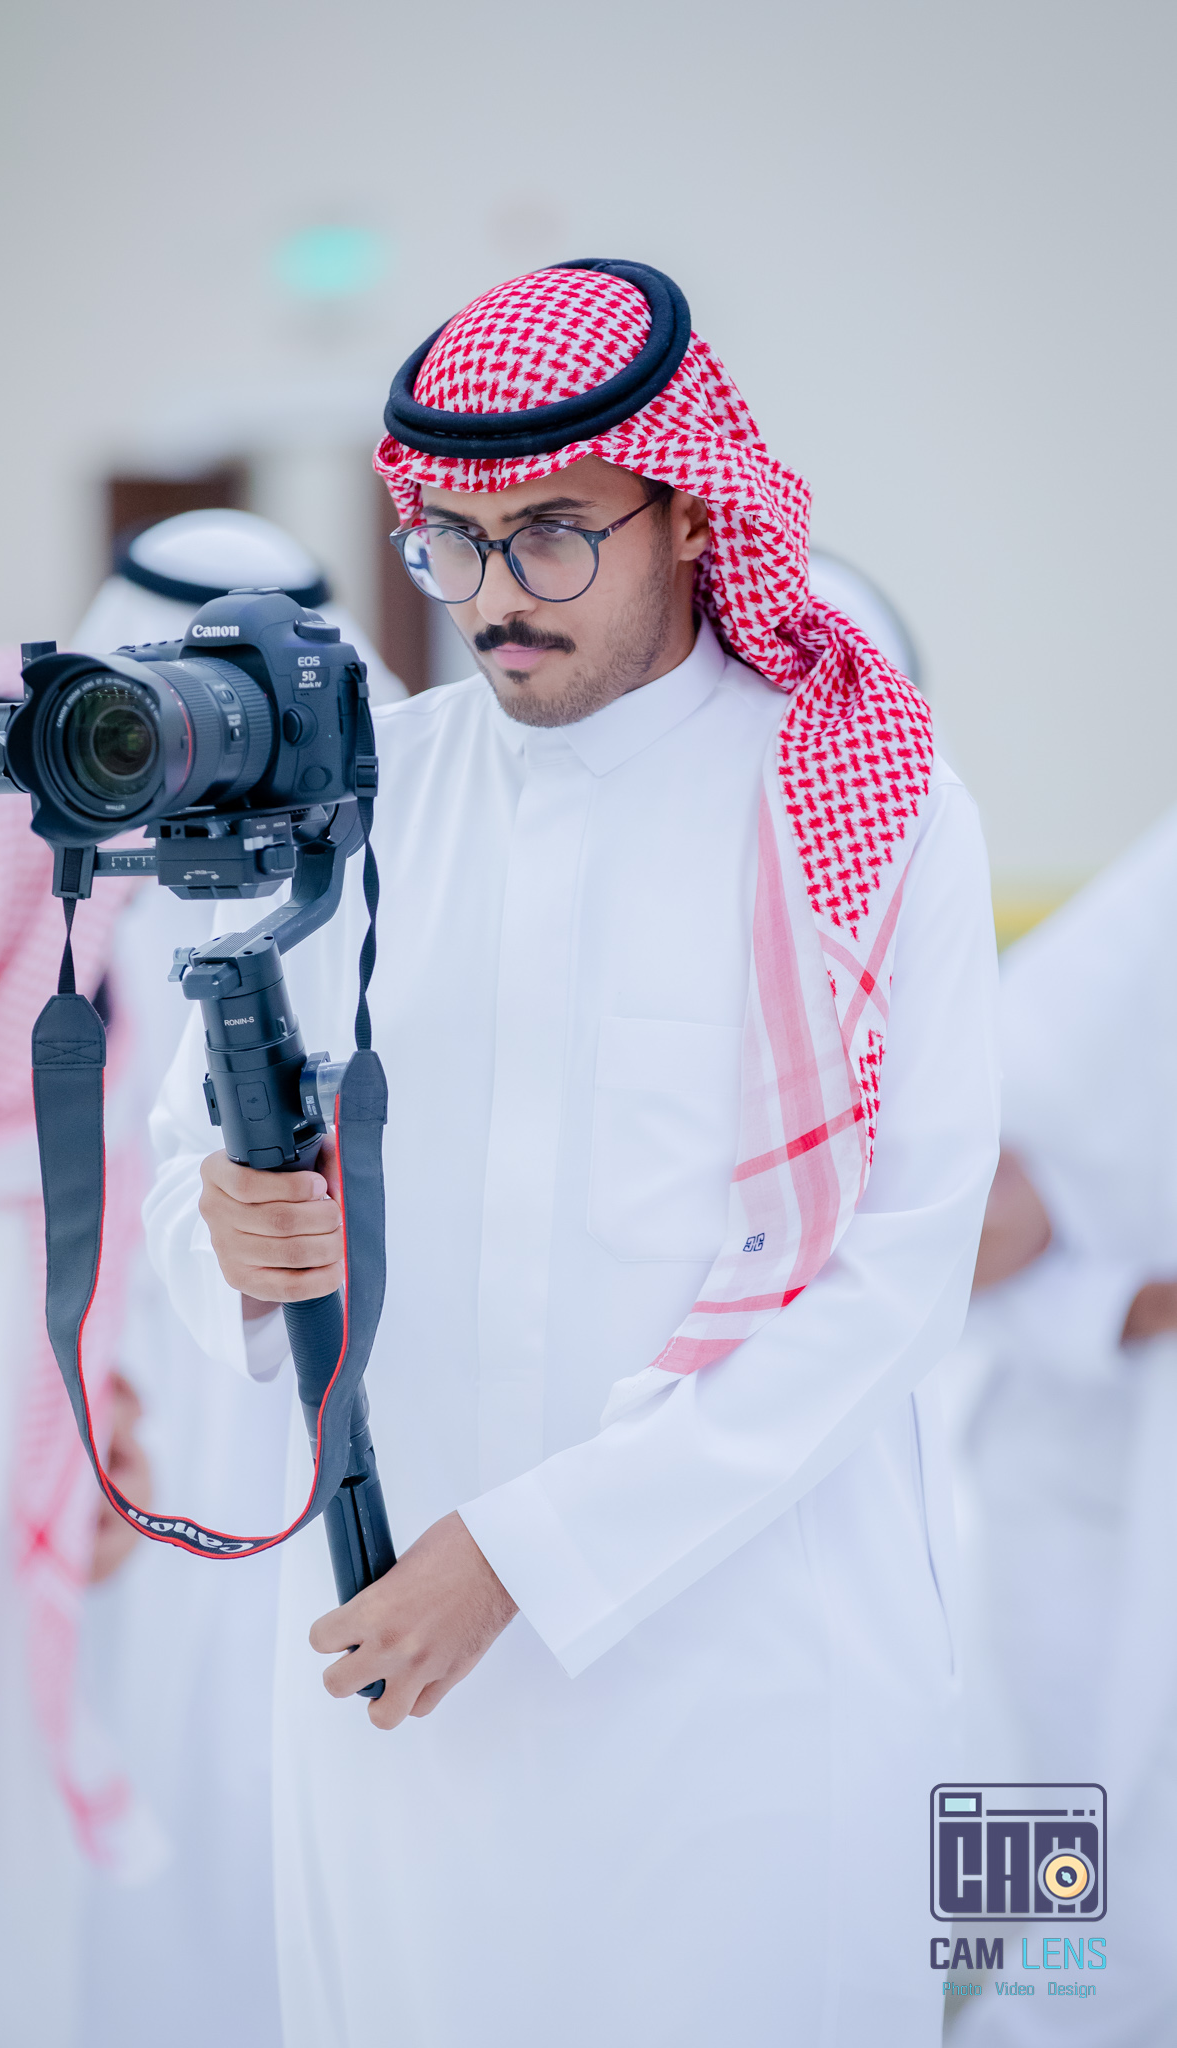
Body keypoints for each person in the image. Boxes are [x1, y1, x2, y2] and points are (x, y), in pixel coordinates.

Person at [145, 260, 1000, 2046]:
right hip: (395, 1684)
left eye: (548, 536)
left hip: (740, 1685)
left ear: (684, 509)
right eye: (450, 543)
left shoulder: (870, 809)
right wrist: (220, 1227)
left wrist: (532, 1554)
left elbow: (892, 1274)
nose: (491, 598)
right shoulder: (362, 797)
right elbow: (186, 1143)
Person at [0, 509, 405, 2048]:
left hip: (335, 1419)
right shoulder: (56, 829)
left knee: (304, 1833)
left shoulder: (407, 815)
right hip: (104, 1424)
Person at [945, 809, 1177, 2044]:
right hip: (1064, 1480)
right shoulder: (1135, 944)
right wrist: (1134, 1306)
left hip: (1119, 1461)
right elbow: (968, 1214)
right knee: (1045, 1875)